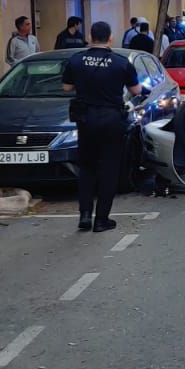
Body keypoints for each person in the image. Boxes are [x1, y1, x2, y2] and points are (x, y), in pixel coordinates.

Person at [61, 21, 145, 232]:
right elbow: (135, 91)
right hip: (111, 119)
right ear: (110, 38)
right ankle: (101, 220)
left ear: (90, 37)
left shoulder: (76, 60)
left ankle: (85, 216)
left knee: (87, 168)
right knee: (108, 168)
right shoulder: (121, 62)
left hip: (86, 119)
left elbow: (66, 87)